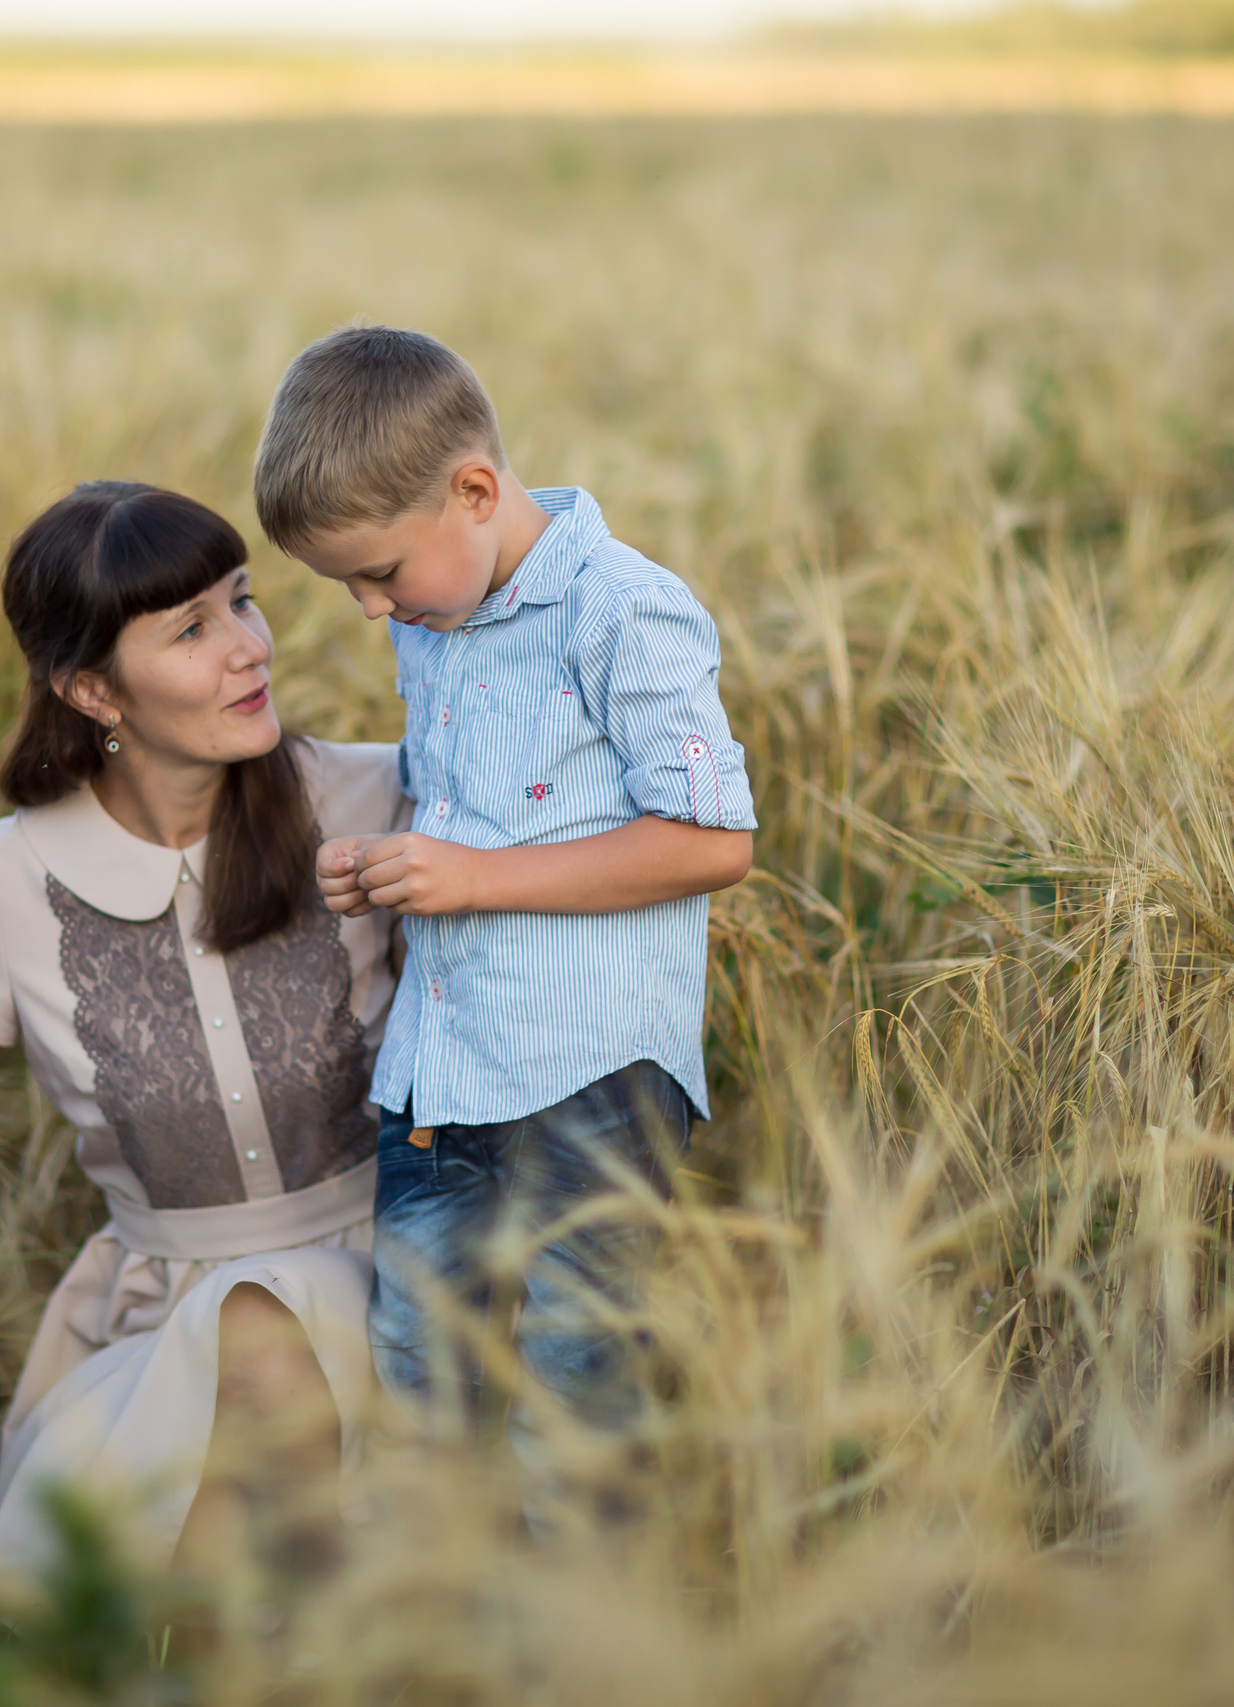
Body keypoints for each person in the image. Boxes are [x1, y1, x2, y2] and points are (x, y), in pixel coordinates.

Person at [0, 482, 409, 1582]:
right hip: (154, 1339)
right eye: (194, 630)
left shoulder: (377, 796)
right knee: (240, 1347)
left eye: (243, 603)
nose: (249, 648)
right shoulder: (1, 881)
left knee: (265, 1329)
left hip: (396, 1292)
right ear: (90, 690)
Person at [254, 325, 756, 1479]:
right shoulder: (442, 613)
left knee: (576, 1377)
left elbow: (712, 841)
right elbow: (471, 802)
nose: (369, 612)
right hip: (442, 1071)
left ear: (474, 491)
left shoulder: (621, 610)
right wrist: (392, 861)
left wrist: (474, 879)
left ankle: (573, 1646)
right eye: (342, 586)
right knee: (417, 1369)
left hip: (594, 1074)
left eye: (378, 573)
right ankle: (433, 1633)